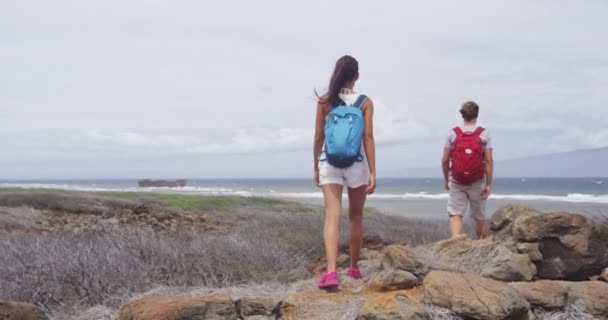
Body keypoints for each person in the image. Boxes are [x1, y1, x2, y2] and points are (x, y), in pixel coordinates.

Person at [313, 55, 376, 289]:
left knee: (332, 216)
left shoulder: (324, 101)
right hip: (357, 164)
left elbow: (318, 137)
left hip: (329, 163)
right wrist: (373, 172)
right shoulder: (365, 102)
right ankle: (354, 268)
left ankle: (330, 272)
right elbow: (368, 137)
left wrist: (315, 166)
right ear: (356, 76)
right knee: (356, 216)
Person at [441, 101, 493, 239]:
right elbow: (488, 160)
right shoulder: (484, 134)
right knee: (479, 216)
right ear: (477, 115)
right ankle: (482, 245)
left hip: (457, 180)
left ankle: (455, 242)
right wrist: (488, 184)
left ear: (462, 115)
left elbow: (445, 160)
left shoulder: (452, 134)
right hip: (477, 181)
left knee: (455, 213)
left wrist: (447, 179)